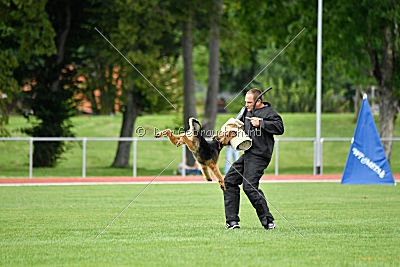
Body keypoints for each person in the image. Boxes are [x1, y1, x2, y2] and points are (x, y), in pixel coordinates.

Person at [223, 88, 284, 230]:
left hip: (260, 155)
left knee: (249, 187)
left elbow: (280, 128)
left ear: (259, 101)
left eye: (249, 102)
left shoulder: (269, 113)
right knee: (229, 181)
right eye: (245, 102)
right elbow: (236, 123)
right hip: (248, 154)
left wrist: (261, 123)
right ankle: (232, 221)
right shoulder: (245, 111)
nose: (247, 105)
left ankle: (268, 221)